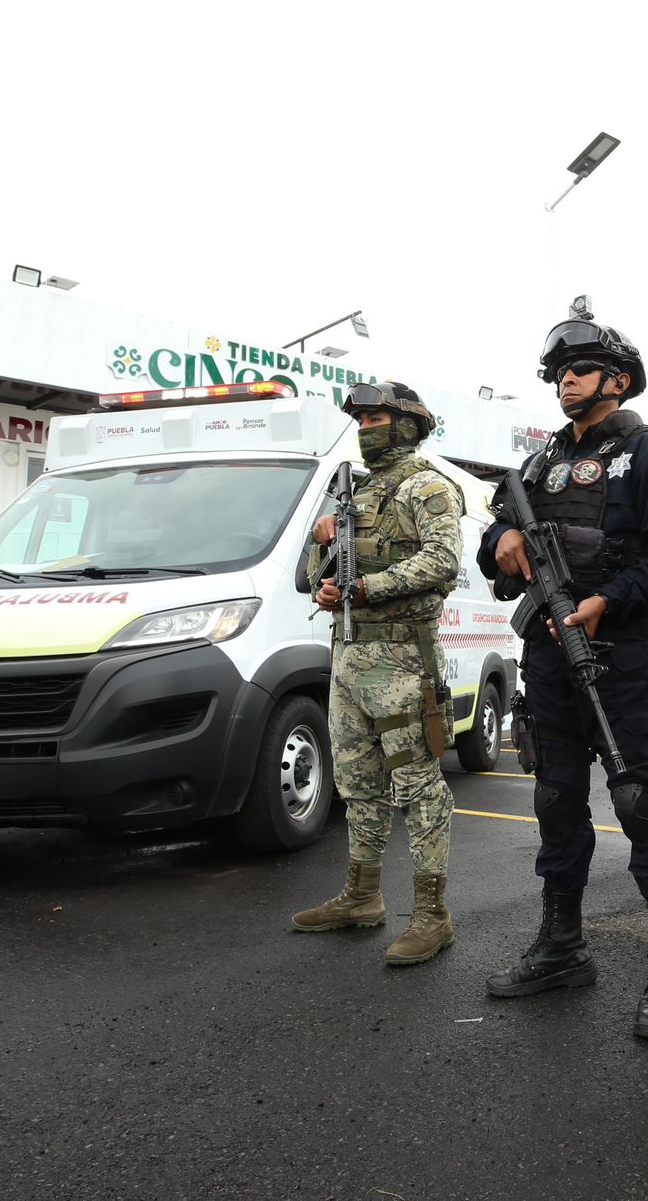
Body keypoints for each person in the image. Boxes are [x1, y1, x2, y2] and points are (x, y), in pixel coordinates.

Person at [477, 313, 648, 1039]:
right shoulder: (539, 466)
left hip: (618, 654)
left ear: (618, 380)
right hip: (547, 656)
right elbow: (493, 541)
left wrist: (612, 601)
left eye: (579, 368)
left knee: (637, 803)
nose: (563, 380)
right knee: (555, 802)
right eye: (559, 371)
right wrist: (502, 536)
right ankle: (562, 948)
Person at [292, 380, 464, 966]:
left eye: (377, 417)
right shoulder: (355, 496)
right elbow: (309, 583)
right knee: (358, 785)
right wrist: (324, 549)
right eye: (360, 419)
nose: (366, 428)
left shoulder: (427, 485)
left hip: (401, 660)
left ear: (409, 424)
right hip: (347, 658)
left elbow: (442, 560)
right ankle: (362, 897)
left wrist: (367, 586)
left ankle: (432, 915)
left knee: (417, 786)